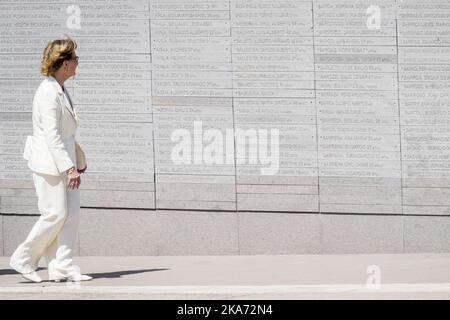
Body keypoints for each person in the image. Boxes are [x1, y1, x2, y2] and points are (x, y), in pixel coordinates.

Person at [9, 38, 92, 283]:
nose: (78, 63)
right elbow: (51, 136)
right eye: (75, 59)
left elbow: (67, 134)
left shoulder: (60, 89)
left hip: (65, 163)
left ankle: (61, 267)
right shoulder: (47, 92)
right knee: (54, 214)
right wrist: (69, 168)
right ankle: (23, 258)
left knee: (71, 215)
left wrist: (77, 160)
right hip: (49, 165)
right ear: (65, 63)